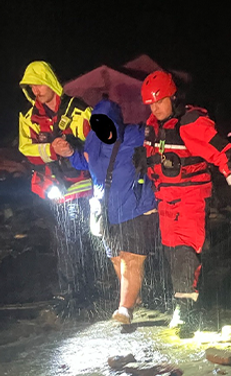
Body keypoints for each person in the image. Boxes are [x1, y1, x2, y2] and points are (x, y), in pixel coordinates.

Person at [138, 71, 231, 332]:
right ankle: (184, 303)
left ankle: (188, 312)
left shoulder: (190, 124)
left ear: (173, 97)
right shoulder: (153, 128)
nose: (155, 108)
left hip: (190, 199)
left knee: (185, 252)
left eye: (159, 101)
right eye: (150, 104)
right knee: (172, 254)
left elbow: (225, 155)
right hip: (165, 203)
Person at [69, 98, 160, 325]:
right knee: (116, 259)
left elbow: (158, 135)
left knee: (132, 259)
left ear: (116, 122)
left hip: (134, 208)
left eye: (106, 122)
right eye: (97, 123)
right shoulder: (92, 140)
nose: (101, 128)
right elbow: (85, 162)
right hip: (105, 213)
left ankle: (125, 308)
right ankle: (134, 298)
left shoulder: (133, 135)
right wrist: (70, 151)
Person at [17, 61, 97, 305]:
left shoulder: (80, 110)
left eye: (39, 84)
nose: (36, 90)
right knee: (62, 240)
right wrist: (51, 149)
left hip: (81, 186)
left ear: (50, 81)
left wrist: (72, 149)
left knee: (87, 237)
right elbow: (26, 150)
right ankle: (71, 292)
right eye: (31, 86)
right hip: (51, 188)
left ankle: (88, 286)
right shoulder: (29, 118)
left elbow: (96, 143)